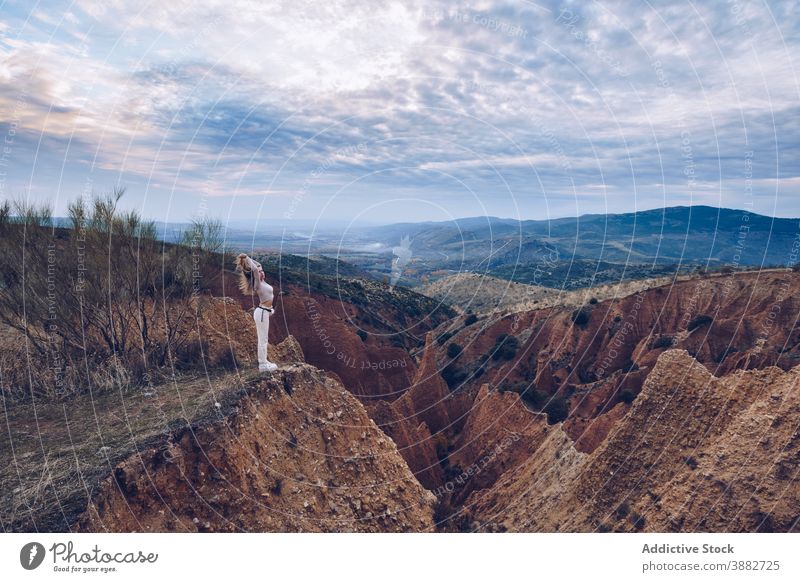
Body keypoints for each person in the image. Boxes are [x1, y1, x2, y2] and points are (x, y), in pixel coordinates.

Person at [234, 253, 277, 372]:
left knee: (264, 339)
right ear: (255, 274)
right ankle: (262, 365)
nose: (261, 272)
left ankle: (265, 361)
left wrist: (245, 260)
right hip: (262, 313)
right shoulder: (257, 284)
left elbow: (256, 267)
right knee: (262, 339)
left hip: (264, 312)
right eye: (259, 271)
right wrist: (246, 258)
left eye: (262, 270)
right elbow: (254, 269)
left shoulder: (263, 283)